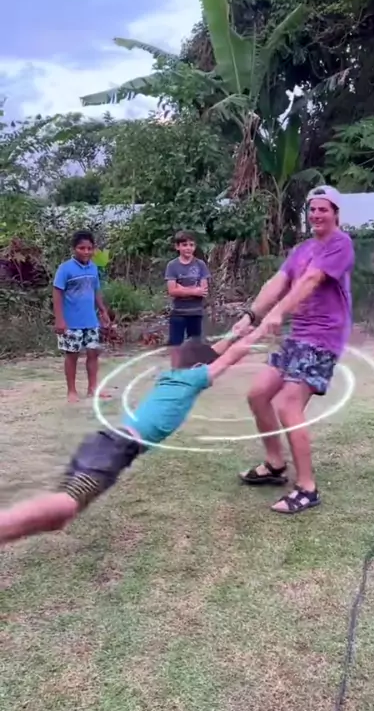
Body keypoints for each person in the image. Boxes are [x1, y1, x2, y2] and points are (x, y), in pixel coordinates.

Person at [0, 325, 267, 546]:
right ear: (198, 367)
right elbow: (229, 357)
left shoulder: (172, 377)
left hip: (109, 443)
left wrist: (234, 332)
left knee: (59, 516)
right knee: (65, 506)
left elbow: (213, 354)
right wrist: (262, 329)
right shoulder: (192, 379)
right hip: (116, 447)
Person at [231, 186, 355, 515]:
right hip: (298, 335)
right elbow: (277, 282)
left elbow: (312, 281)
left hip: (323, 337)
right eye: (312, 209)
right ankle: (275, 464)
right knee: (258, 394)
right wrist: (251, 315)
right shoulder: (301, 249)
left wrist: (277, 314)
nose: (316, 214)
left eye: (323, 209)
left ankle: (307, 488)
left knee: (288, 405)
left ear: (335, 213)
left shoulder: (341, 243)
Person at [53, 230, 110, 403]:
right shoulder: (65, 269)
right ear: (74, 249)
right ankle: (71, 391)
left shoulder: (93, 267)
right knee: (72, 355)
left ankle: (93, 388)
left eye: (89, 248)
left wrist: (103, 310)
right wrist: (59, 320)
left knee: (93, 353)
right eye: (81, 248)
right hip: (71, 323)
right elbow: (57, 293)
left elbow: (96, 290)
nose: (86, 252)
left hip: (90, 321)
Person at [164, 231, 211, 366]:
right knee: (175, 345)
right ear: (177, 247)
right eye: (185, 245)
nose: (188, 248)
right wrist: (193, 290)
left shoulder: (200, 265)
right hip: (178, 312)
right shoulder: (172, 266)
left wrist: (182, 288)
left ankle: (194, 370)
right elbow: (172, 291)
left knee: (195, 345)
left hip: (196, 312)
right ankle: (175, 371)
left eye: (191, 245)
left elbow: (203, 290)